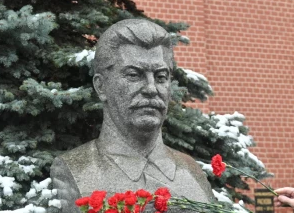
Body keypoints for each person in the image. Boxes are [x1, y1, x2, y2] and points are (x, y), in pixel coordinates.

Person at [51, 19, 212, 200]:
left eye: (160, 77)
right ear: (101, 86)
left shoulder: (192, 173)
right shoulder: (75, 171)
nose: (151, 89)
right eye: (134, 75)